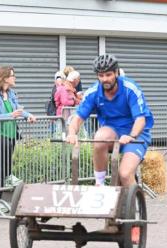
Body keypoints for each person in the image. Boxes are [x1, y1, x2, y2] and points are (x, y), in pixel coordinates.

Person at [66, 54, 154, 232]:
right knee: (99, 138)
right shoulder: (93, 92)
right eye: (101, 75)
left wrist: (131, 135)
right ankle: (100, 184)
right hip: (112, 131)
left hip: (136, 134)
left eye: (108, 75)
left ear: (116, 73)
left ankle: (134, 220)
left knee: (124, 173)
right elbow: (78, 118)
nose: (105, 79)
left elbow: (140, 119)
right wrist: (71, 133)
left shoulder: (130, 88)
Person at [0, 65, 36, 201]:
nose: (15, 78)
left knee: (3, 164)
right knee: (4, 155)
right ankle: (5, 181)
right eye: (12, 75)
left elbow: (18, 110)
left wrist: (27, 115)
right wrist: (10, 115)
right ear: (5, 78)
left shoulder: (11, 93)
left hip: (11, 132)